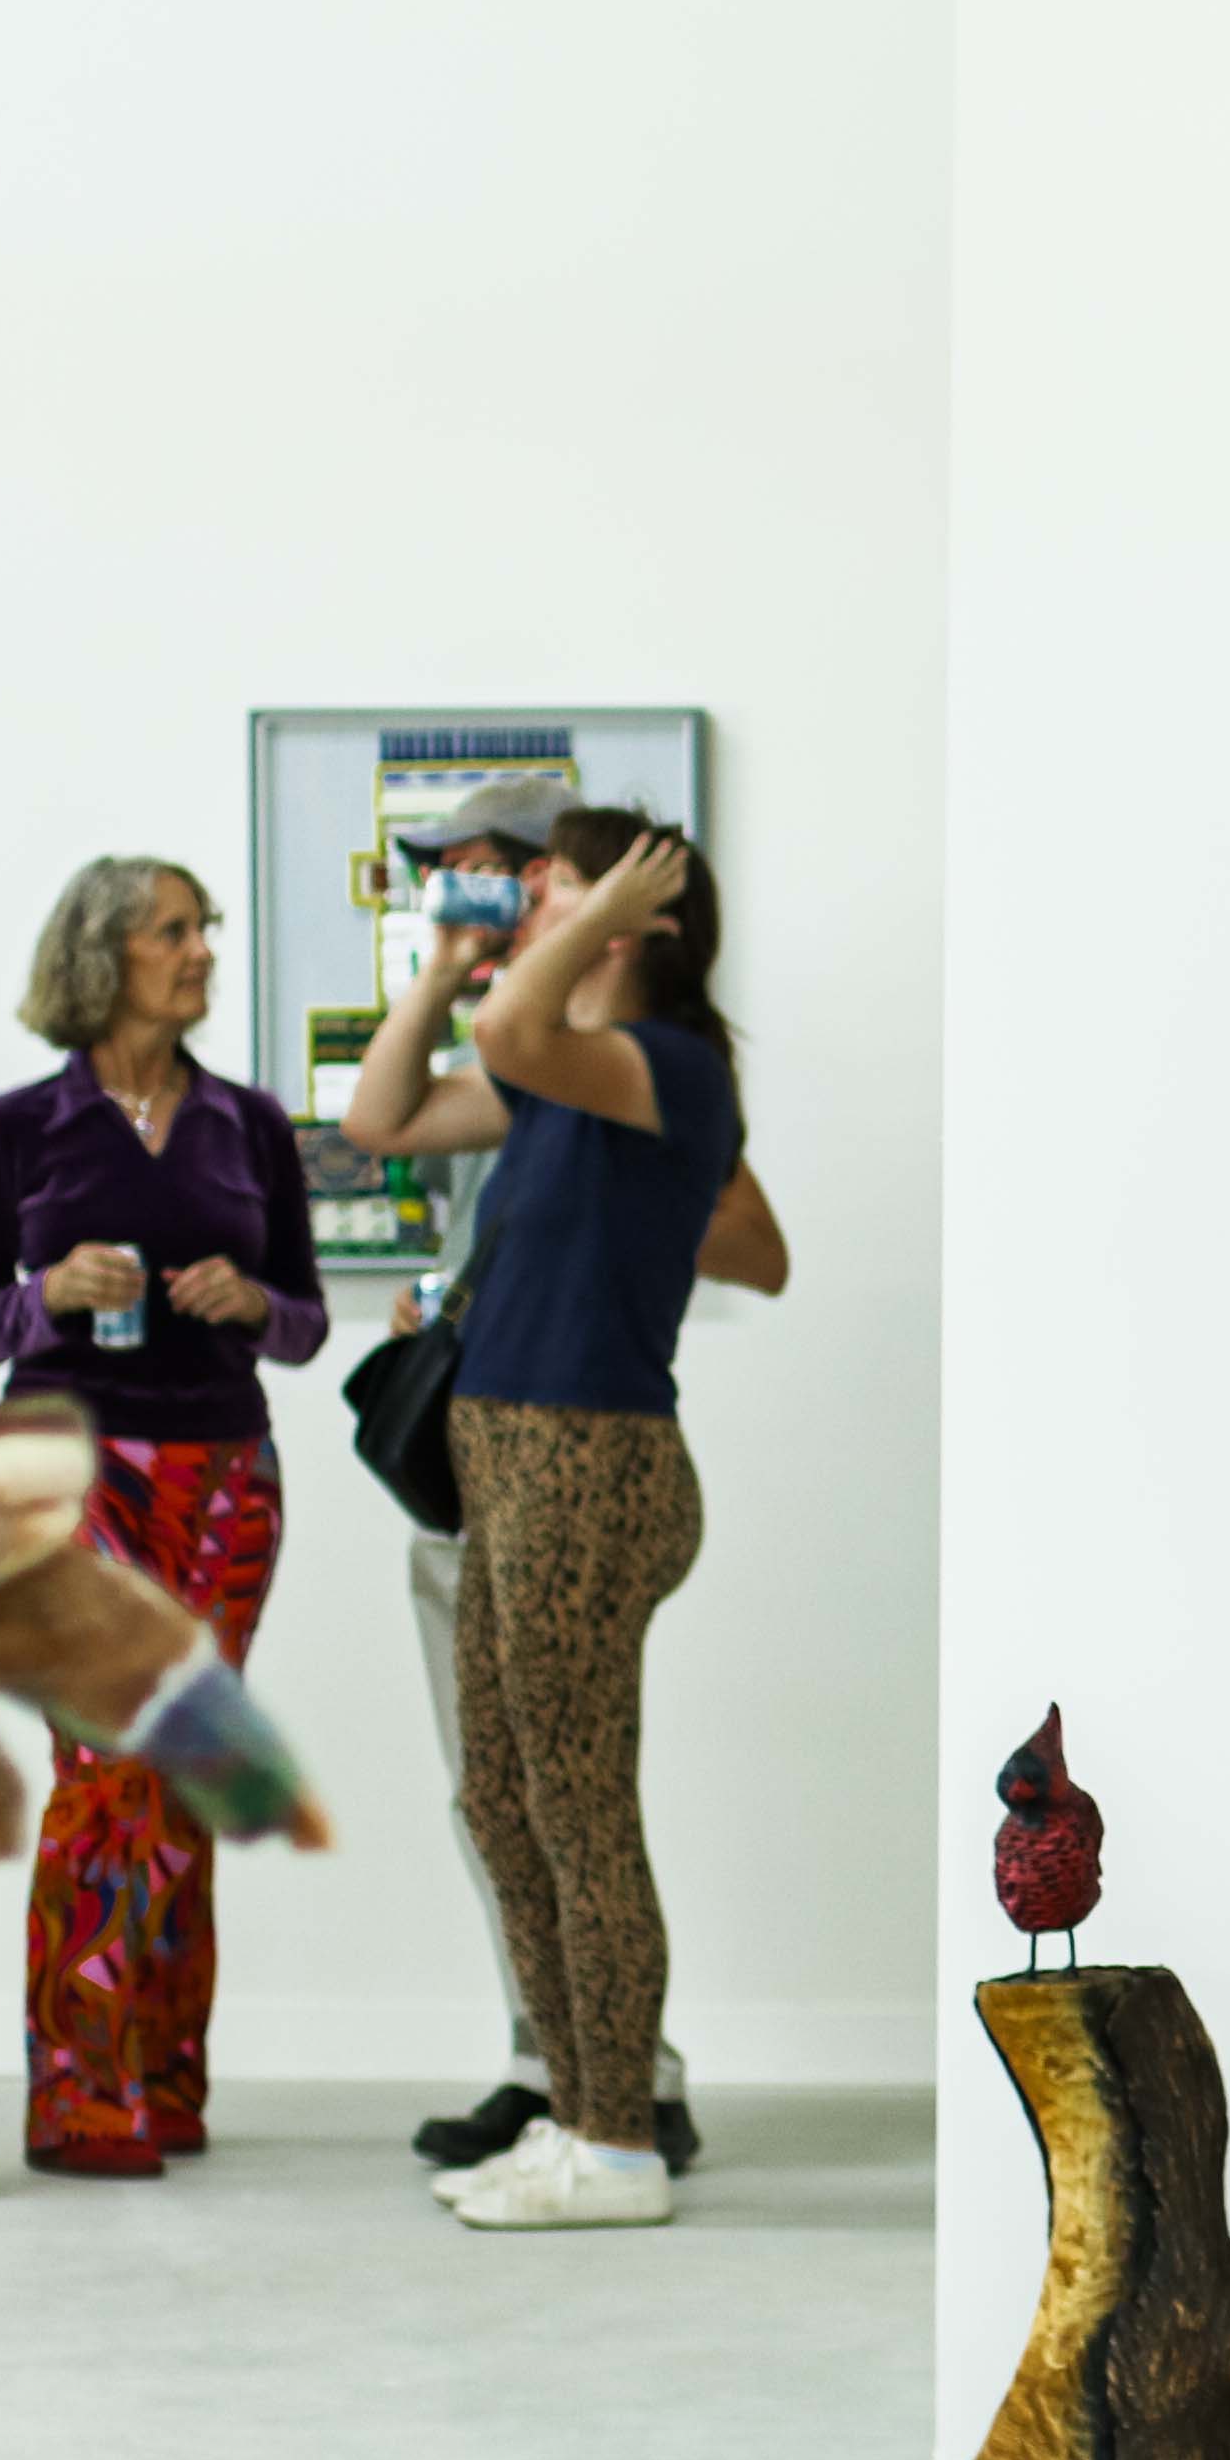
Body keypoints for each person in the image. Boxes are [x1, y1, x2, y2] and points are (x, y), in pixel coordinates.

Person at [344, 779, 781, 2174]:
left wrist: (572, 925)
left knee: (578, 1803)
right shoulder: (546, 1089)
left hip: (591, 1463)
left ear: (622, 916)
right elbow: (381, 1115)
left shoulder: (667, 1067)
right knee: (502, 1797)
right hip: (508, 1461)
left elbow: (519, 1028)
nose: (519, 898)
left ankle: (612, 2129)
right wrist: (446, 968)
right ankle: (571, 2107)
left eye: (546, 889)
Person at [0, 857, 330, 2176]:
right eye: (177, 931)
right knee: (106, 1768)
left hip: (227, 1478)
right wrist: (47, 1291)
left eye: (206, 928)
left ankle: (161, 2076)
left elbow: (309, 1322)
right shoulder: (16, 1129)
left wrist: (251, 1305)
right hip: (67, 1469)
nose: (203, 950)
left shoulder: (251, 1124)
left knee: (187, 1769)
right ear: (106, 956)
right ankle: (78, 2094)